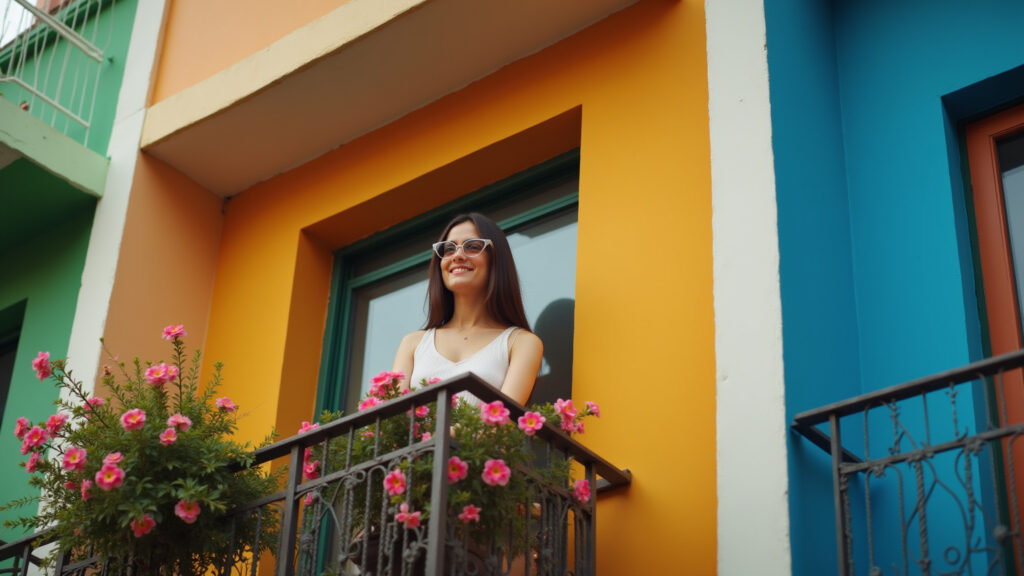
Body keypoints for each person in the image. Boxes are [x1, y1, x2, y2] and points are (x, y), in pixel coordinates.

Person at [392, 212, 543, 405]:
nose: (458, 256)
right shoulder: (412, 344)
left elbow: (502, 422)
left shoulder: (521, 343)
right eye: (448, 249)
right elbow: (392, 423)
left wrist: (437, 434)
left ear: (495, 259)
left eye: (472, 247)